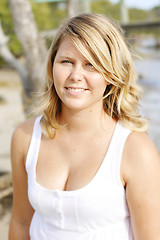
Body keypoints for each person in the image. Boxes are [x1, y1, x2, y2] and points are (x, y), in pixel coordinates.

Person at [9, 13, 160, 240]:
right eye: (66, 62)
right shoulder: (25, 137)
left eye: (92, 65)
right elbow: (21, 222)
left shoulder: (135, 150)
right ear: (52, 66)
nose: (76, 76)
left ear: (111, 74)